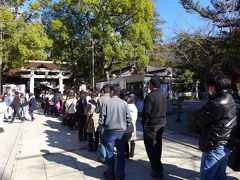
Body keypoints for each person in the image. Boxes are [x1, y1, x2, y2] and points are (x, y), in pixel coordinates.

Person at [195, 74, 237, 180]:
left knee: (207, 176)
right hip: (225, 144)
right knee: (220, 175)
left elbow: (199, 119)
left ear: (215, 86)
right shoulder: (229, 98)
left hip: (215, 146)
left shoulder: (218, 103)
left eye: (210, 85)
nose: (209, 88)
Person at [101, 85, 132, 180]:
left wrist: (103, 126)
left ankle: (111, 173)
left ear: (111, 91)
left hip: (110, 131)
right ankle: (120, 175)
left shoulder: (106, 103)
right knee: (120, 154)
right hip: (121, 132)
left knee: (110, 154)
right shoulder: (124, 103)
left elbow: (102, 119)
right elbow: (129, 118)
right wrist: (125, 126)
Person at [142, 77, 167, 179]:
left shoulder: (150, 96)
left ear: (152, 85)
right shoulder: (162, 95)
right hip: (161, 123)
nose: (148, 86)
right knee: (158, 144)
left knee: (150, 146)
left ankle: (157, 169)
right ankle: (156, 162)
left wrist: (144, 123)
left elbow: (146, 112)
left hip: (151, 125)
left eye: (149, 84)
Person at [95, 85, 111, 163]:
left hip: (103, 123)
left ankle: (102, 157)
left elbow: (97, 111)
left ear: (103, 91)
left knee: (103, 141)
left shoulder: (100, 99)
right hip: (112, 123)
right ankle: (110, 156)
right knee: (110, 141)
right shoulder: (114, 98)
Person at [124, 93, 138, 159]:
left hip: (127, 126)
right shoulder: (135, 107)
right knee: (132, 140)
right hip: (133, 126)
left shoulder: (126, 107)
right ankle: (132, 153)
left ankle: (127, 154)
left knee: (126, 141)